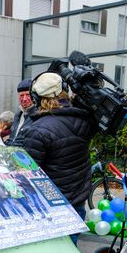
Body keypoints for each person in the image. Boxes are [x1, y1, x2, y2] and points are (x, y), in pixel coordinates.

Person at [20, 72, 97, 243]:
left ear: (36, 97)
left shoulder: (37, 130)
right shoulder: (85, 120)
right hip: (77, 204)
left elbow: (27, 175)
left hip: (51, 209)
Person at [6, 79, 35, 147]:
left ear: (34, 96)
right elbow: (12, 138)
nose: (24, 99)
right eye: (22, 95)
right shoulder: (17, 115)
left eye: (27, 95)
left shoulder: (37, 115)